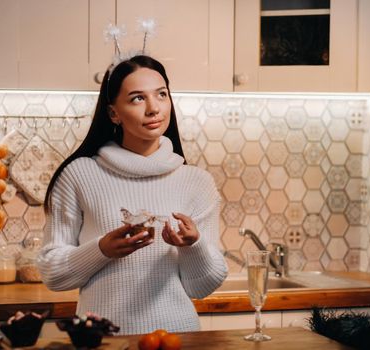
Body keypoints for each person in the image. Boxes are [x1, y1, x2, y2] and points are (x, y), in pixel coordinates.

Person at [37, 55, 228, 335]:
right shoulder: (79, 174)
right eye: (138, 98)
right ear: (114, 113)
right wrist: (101, 249)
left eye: (161, 95)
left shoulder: (196, 182)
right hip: (103, 340)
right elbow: (52, 273)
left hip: (178, 337)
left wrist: (193, 245)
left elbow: (202, 288)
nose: (154, 109)